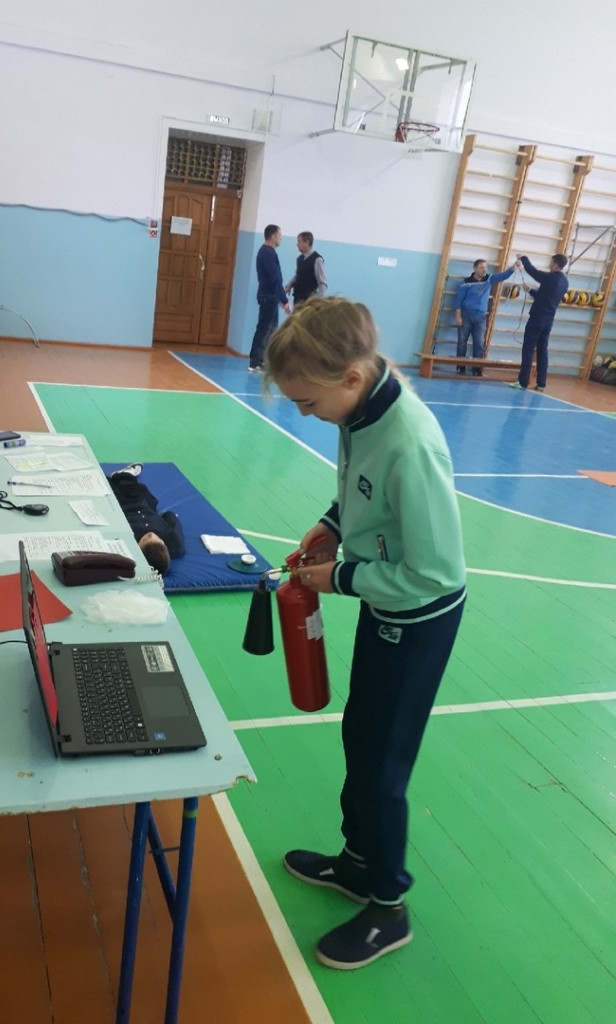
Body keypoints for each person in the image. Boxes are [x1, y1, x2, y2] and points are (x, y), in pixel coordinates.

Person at [263, 296, 466, 971]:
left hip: (418, 617)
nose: (305, 414)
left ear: (351, 376)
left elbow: (434, 574)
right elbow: (360, 487)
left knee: (383, 765)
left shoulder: (411, 443)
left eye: (308, 402)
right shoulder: (361, 407)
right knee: (360, 736)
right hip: (388, 608)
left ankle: (388, 904)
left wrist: (342, 577)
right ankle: (356, 862)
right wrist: (332, 523)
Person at [108, 464, 184, 574]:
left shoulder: (126, 543)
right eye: (158, 539)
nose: (151, 534)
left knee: (106, 487)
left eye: (146, 538)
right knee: (135, 488)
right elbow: (171, 518)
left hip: (119, 507)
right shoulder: (175, 544)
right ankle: (124, 475)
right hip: (144, 504)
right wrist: (167, 516)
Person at [510, 253, 569, 391]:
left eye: (551, 262)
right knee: (542, 351)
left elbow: (533, 272)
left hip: (537, 319)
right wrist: (530, 291)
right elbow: (545, 297)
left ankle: (523, 382)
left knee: (528, 349)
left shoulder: (550, 277)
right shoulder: (565, 282)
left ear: (555, 264)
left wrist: (523, 258)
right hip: (548, 321)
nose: (549, 264)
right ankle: (541, 383)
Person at [454, 258, 520, 375]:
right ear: (475, 269)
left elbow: (503, 275)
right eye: (481, 268)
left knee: (479, 343)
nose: (484, 270)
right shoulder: (466, 283)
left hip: (481, 317)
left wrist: (513, 267)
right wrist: (458, 317)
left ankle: (476, 369)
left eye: (486, 267)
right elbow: (458, 301)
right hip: (466, 315)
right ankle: (460, 366)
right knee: (462, 342)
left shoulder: (489, 279)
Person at [248, 224, 290, 373]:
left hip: (271, 297)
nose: (281, 238)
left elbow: (276, 279)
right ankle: (255, 362)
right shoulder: (267, 253)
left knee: (271, 330)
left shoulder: (268, 252)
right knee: (264, 329)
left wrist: (280, 297)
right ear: (273, 236)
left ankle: (264, 361)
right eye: (279, 235)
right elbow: (275, 279)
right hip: (268, 297)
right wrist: (284, 300)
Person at [285, 232, 328, 307]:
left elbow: (322, 283)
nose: (297, 244)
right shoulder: (299, 259)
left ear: (307, 242)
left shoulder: (317, 259)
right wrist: (289, 285)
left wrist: (319, 301)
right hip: (298, 300)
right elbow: (298, 276)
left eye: (299, 241)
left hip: (309, 303)